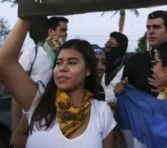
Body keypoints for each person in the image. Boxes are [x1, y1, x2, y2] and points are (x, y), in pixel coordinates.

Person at [0, 19, 115, 148]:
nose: (62, 68)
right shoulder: (38, 103)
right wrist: (26, 17)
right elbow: (5, 62)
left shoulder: (102, 112)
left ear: (88, 70)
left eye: (72, 62)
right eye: (59, 63)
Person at [11, 16, 69, 148]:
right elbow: (16, 92)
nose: (65, 34)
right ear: (50, 32)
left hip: (54, 120)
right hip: (28, 120)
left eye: (67, 30)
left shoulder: (63, 58)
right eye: (62, 29)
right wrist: (15, 129)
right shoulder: (33, 53)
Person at [122, 10, 167, 96]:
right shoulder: (135, 61)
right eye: (148, 27)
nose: (150, 31)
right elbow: (124, 92)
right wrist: (119, 89)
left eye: (156, 27)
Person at [102, 32, 128, 109]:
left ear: (120, 48)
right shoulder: (100, 68)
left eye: (111, 44)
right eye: (107, 44)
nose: (107, 46)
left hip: (118, 118)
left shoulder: (127, 70)